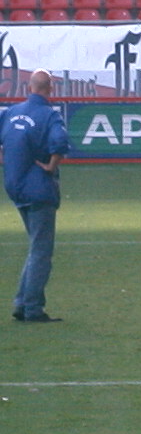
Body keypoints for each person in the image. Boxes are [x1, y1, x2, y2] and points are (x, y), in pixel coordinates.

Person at [0, 69, 69, 322]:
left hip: (15, 186)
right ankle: (32, 308)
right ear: (50, 89)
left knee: (35, 247)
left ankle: (22, 302)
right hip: (39, 189)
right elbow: (60, 142)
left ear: (29, 87)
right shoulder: (49, 116)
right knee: (41, 251)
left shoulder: (11, 112)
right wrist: (51, 166)